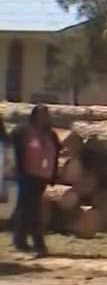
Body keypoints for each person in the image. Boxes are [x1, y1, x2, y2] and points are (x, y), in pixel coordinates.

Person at [9, 103, 57, 257]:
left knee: (29, 209)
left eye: (46, 114)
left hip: (41, 177)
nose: (44, 118)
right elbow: (12, 149)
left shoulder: (50, 134)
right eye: (41, 114)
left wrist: (53, 175)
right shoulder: (23, 132)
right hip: (25, 175)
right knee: (31, 209)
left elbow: (56, 152)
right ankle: (36, 244)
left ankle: (21, 241)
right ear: (34, 115)